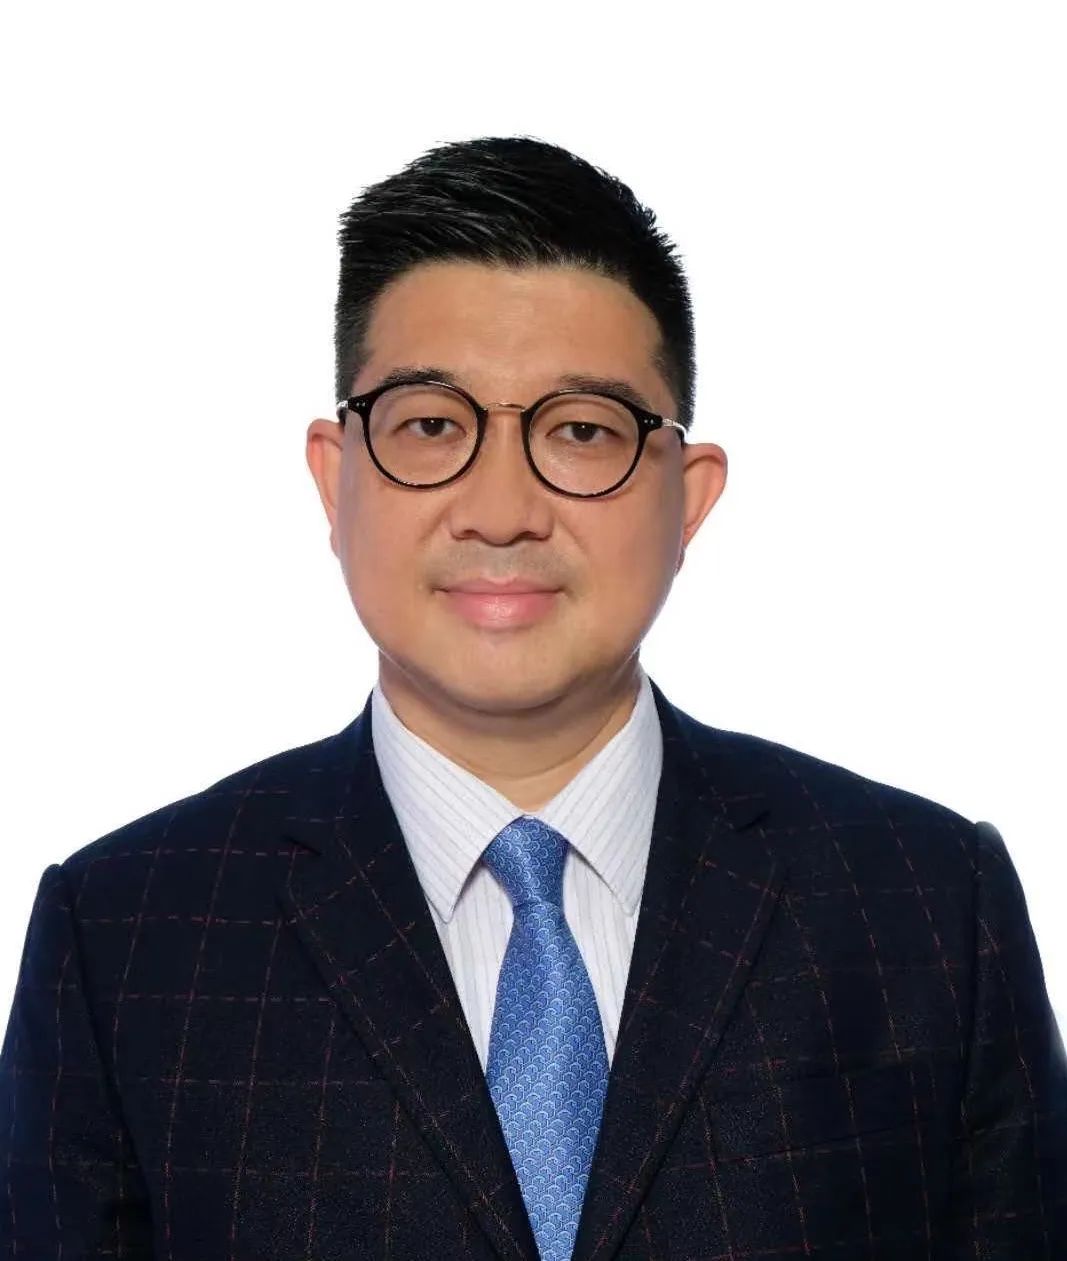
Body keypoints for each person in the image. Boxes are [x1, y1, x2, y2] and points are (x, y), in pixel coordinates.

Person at [1, 135, 1063, 1260]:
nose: (501, 510)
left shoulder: (923, 905)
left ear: (688, 496)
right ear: (334, 477)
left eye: (581, 432)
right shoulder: (126, 935)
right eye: (429, 426)